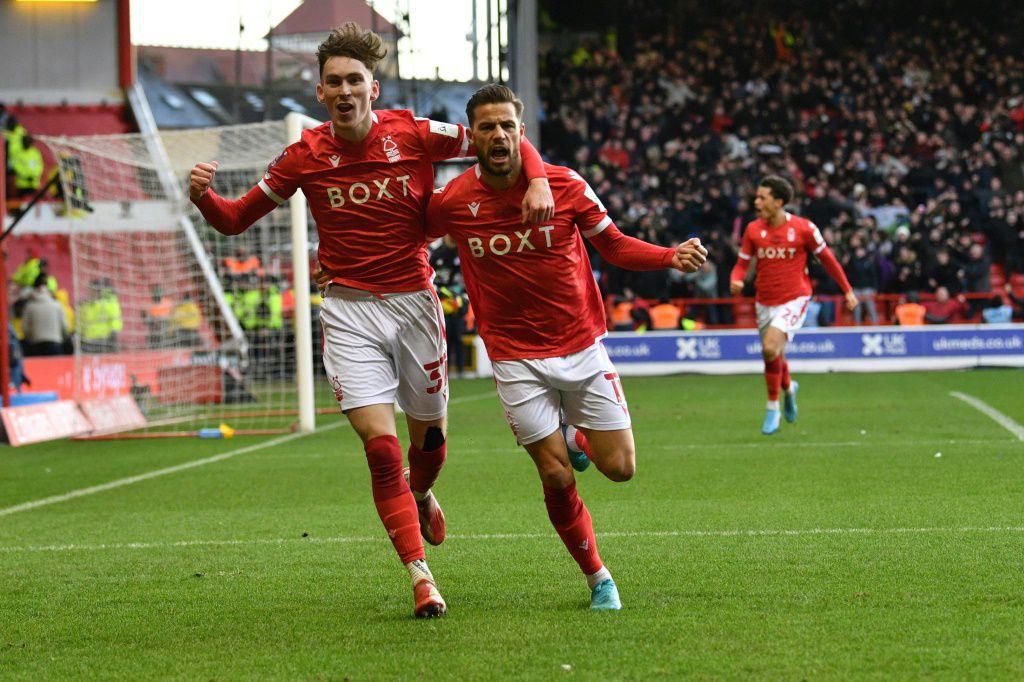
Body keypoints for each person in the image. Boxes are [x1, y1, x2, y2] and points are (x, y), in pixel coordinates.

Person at [188, 23, 554, 619]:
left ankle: (425, 492)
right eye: (333, 82)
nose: (344, 90)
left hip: (414, 304)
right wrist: (203, 197)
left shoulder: (412, 132)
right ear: (320, 93)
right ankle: (421, 577)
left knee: (428, 442)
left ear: (373, 88)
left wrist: (536, 177)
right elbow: (233, 221)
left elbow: (501, 139)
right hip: (349, 312)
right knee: (382, 451)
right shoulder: (302, 156)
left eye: (354, 79)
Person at [425, 84, 708, 611]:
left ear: (521, 132)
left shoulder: (565, 185)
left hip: (580, 345)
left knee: (621, 469)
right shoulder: (455, 201)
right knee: (554, 475)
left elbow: (615, 245)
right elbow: (407, 235)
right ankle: (598, 576)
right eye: (487, 127)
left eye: (507, 125)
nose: (498, 135)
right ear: (473, 137)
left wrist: (670, 256)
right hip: (513, 356)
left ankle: (577, 435)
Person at [729, 176, 857, 435]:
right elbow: (742, 264)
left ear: (778, 202)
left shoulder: (804, 229)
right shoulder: (753, 229)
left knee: (769, 347)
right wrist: (736, 280)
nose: (757, 201)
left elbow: (829, 260)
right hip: (764, 301)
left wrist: (847, 290)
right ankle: (788, 389)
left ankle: (772, 407)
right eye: (757, 196)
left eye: (762, 197)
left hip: (795, 298)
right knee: (774, 353)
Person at [21, 274, 68, 356]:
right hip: (55, 345)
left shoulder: (29, 306)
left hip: (36, 346)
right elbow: (64, 326)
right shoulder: (57, 305)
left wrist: (32, 339)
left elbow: (25, 328)